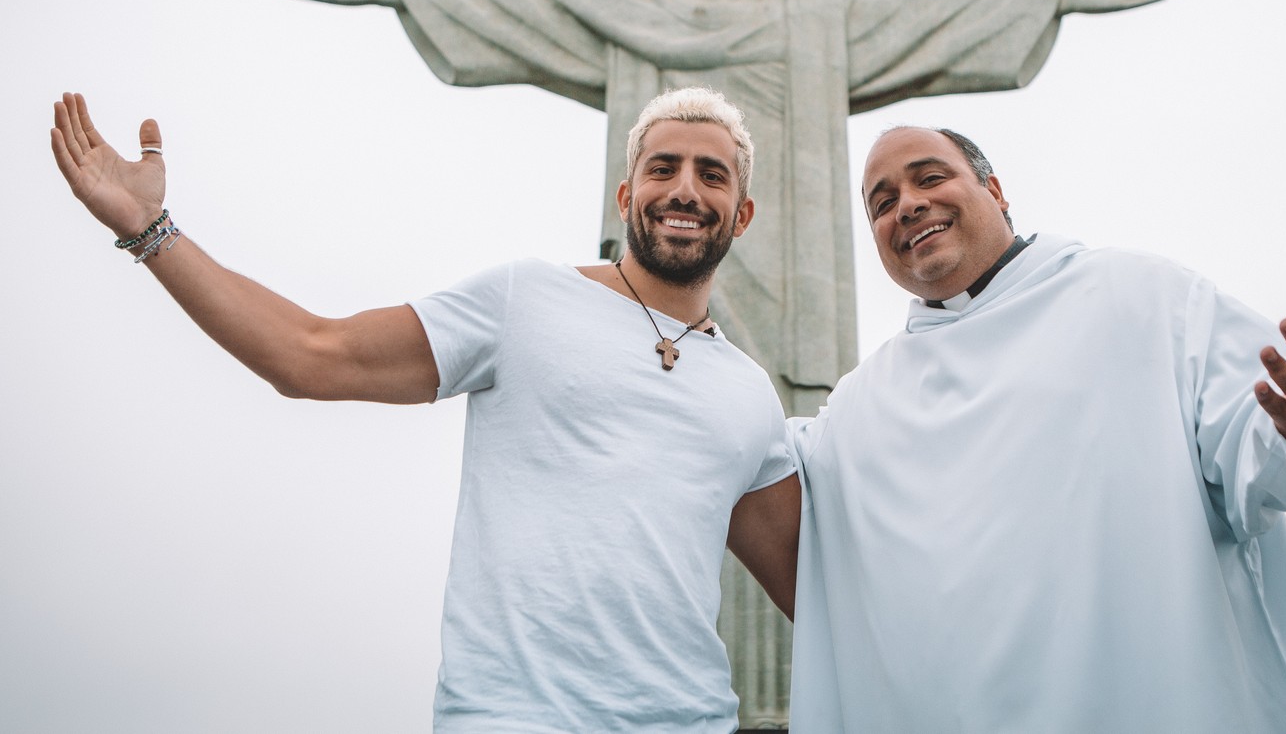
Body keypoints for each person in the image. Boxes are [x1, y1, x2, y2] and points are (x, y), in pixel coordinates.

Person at [270, 0, 1182, 415]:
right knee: (653, 403)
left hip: (792, 255)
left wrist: (1057, 2)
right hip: (679, 234)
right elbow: (531, 9)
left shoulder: (816, 0)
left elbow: (934, 18)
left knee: (782, 427)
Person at [49, 87, 801, 734]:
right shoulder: (526, 300)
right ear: (627, 195)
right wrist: (151, 231)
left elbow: (816, 590)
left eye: (712, 174)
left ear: (741, 214)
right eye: (661, 167)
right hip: (511, 714)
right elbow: (312, 353)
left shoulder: (745, 395)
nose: (685, 190)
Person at [785, 126, 1286, 733]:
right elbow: (739, 449)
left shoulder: (1140, 297)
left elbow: (1254, 437)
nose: (910, 205)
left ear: (996, 191)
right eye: (883, 202)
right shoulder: (860, 408)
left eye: (930, 178)